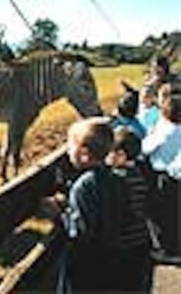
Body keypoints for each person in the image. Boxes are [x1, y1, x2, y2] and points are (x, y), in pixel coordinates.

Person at [57, 117, 129, 292]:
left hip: (85, 263)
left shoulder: (83, 186)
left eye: (70, 145)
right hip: (113, 259)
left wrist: (62, 214)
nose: (67, 150)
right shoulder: (117, 179)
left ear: (83, 153)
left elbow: (80, 232)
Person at [105, 127, 153, 291]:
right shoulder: (139, 172)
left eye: (109, 152)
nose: (107, 156)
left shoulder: (117, 179)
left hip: (123, 243)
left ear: (120, 155)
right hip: (140, 240)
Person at [142, 90, 181, 256]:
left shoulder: (163, 132)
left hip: (162, 177)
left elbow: (145, 148)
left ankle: (166, 249)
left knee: (162, 214)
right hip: (177, 177)